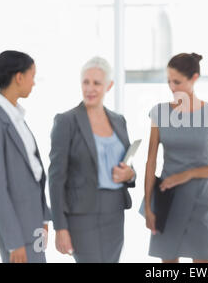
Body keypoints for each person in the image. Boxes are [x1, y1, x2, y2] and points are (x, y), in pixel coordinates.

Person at [48, 56, 136, 263]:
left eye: (97, 83)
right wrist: (60, 227)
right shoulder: (66, 121)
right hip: (82, 216)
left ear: (109, 86)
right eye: (86, 82)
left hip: (114, 212)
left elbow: (128, 165)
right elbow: (56, 178)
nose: (90, 88)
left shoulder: (118, 120)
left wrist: (130, 174)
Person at [144, 52, 208, 263]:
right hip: (167, 200)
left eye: (177, 82)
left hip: (201, 201)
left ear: (194, 79)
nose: (172, 87)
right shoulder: (160, 113)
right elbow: (150, 162)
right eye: (169, 81)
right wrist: (148, 207)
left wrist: (188, 174)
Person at [0, 50, 51, 263]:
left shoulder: (17, 118)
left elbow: (34, 173)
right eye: (32, 76)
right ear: (19, 77)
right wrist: (13, 242)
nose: (34, 83)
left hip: (34, 223)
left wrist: (44, 216)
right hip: (17, 231)